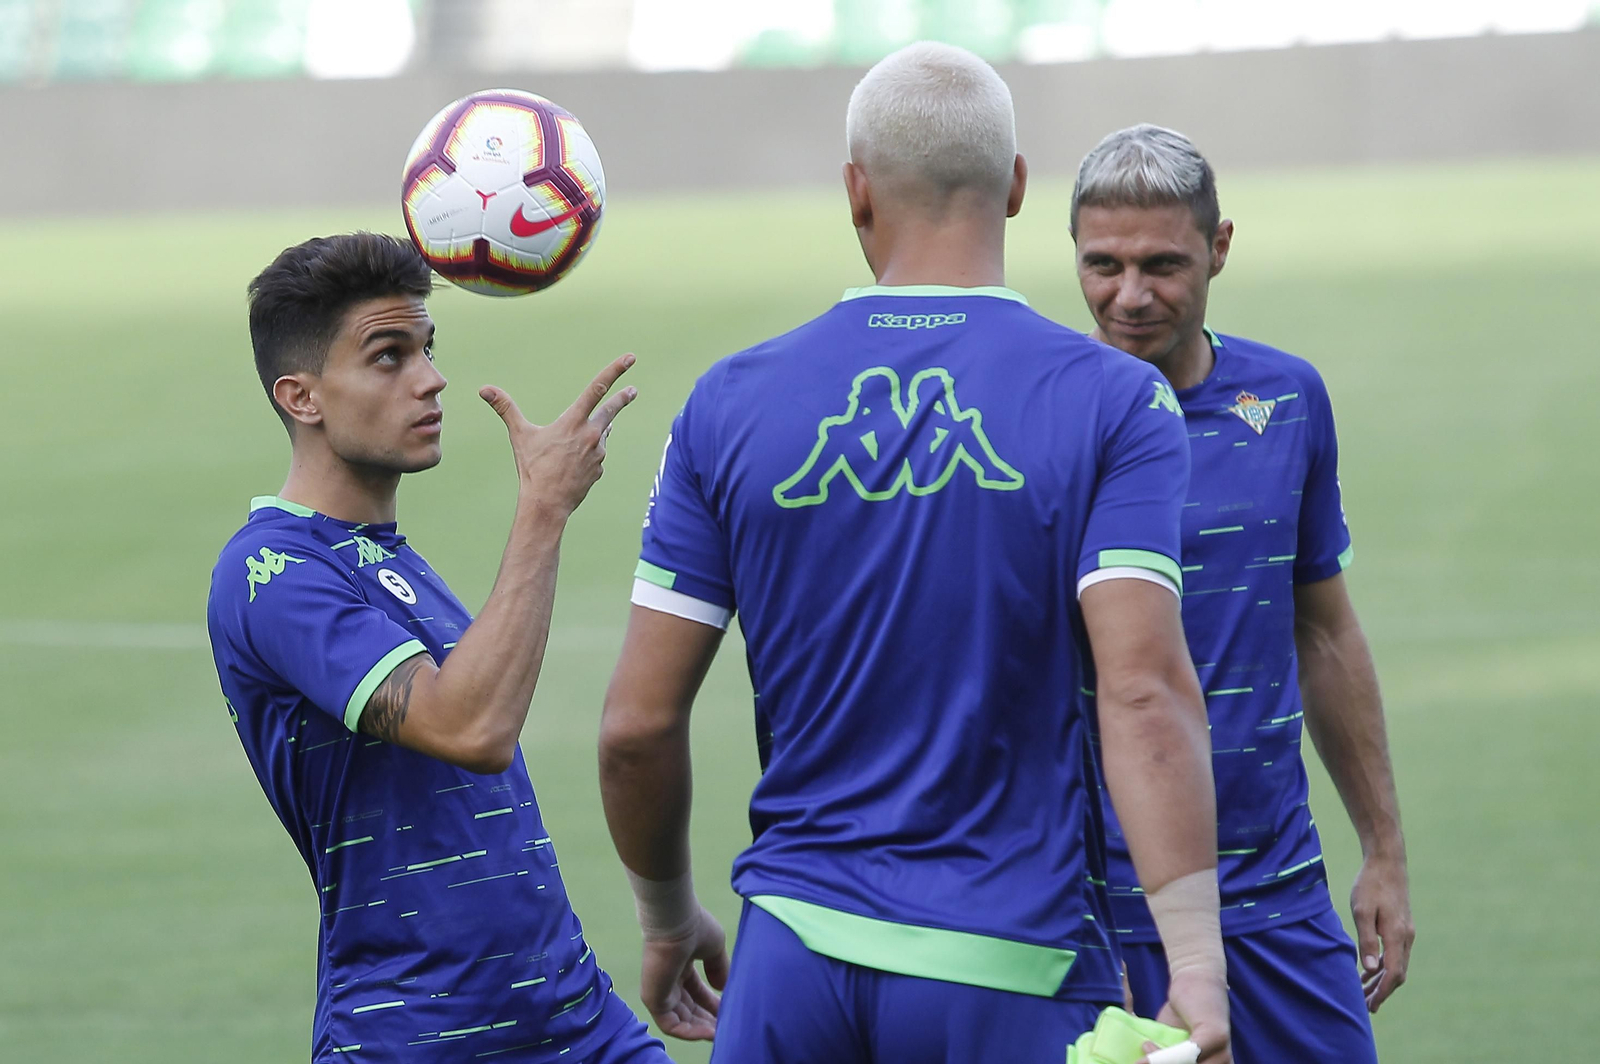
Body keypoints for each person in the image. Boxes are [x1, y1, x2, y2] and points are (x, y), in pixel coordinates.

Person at [597, 44, 1231, 1064]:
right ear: (1019, 186)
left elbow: (635, 724)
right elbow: (1145, 691)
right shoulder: (1114, 401)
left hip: (787, 962)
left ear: (855, 193)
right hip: (1011, 961)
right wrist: (1194, 962)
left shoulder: (725, 403)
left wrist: (668, 913)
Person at [206, 233, 666, 1063]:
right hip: (417, 1035)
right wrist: (544, 510)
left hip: (576, 1020)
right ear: (301, 397)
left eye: (427, 347)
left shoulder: (390, 561)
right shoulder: (270, 571)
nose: (431, 377)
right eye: (389, 356)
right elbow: (471, 729)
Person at [1069, 125, 1414, 1063]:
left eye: (1162, 265)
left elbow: (1326, 633)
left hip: (1281, 895)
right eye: (1102, 264)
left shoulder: (1288, 400)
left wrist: (1382, 849)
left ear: (1220, 248)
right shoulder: (1043, 418)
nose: (1129, 296)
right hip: (1101, 916)